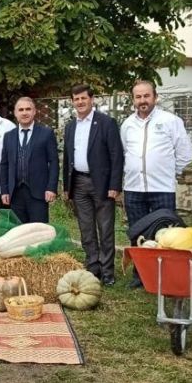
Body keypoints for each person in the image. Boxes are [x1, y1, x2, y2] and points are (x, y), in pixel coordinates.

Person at [121, 80, 192, 288]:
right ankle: (140, 275)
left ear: (155, 96)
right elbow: (126, 152)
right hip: (134, 188)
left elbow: (184, 153)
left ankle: (164, 275)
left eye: (146, 96)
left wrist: (171, 172)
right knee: (138, 232)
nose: (142, 100)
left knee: (165, 233)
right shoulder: (128, 124)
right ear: (133, 99)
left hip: (162, 187)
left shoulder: (170, 121)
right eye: (138, 97)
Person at [62, 84, 124, 286]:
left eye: (83, 98)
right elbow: (67, 157)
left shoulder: (106, 123)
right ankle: (93, 267)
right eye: (76, 99)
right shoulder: (71, 126)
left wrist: (115, 185)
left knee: (105, 229)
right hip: (78, 182)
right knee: (86, 228)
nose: (80, 102)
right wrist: (66, 186)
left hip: (102, 183)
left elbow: (116, 156)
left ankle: (107, 272)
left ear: (92, 99)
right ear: (72, 102)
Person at [0, 97, 59, 223]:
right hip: (15, 193)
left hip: (39, 192)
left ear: (34, 111)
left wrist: (51, 187)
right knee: (19, 232)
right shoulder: (8, 136)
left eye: (28, 109)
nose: (24, 112)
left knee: (39, 231)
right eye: (21, 110)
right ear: (15, 113)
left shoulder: (46, 133)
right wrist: (4, 190)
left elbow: (54, 162)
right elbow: (4, 165)